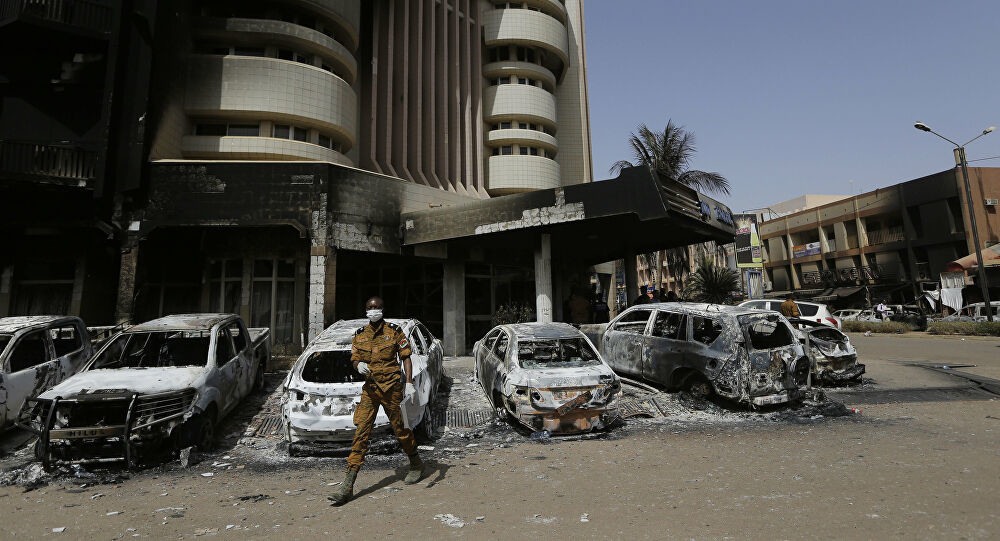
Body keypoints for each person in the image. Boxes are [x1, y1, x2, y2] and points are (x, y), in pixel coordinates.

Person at [329, 296, 423, 505]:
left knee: (402, 430)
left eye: (377, 307)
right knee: (361, 433)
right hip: (370, 391)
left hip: (392, 390)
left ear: (382, 309)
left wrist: (409, 383)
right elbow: (354, 357)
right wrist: (357, 365)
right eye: (370, 308)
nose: (373, 310)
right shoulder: (360, 335)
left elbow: (406, 356)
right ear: (366, 311)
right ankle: (348, 485)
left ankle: (416, 463)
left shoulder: (394, 331)